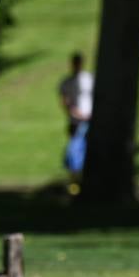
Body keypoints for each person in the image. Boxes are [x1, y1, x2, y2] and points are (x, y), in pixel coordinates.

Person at [57, 52, 93, 188]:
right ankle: (75, 183)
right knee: (75, 152)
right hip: (76, 122)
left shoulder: (89, 79)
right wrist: (76, 114)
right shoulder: (66, 83)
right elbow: (65, 102)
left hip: (90, 120)